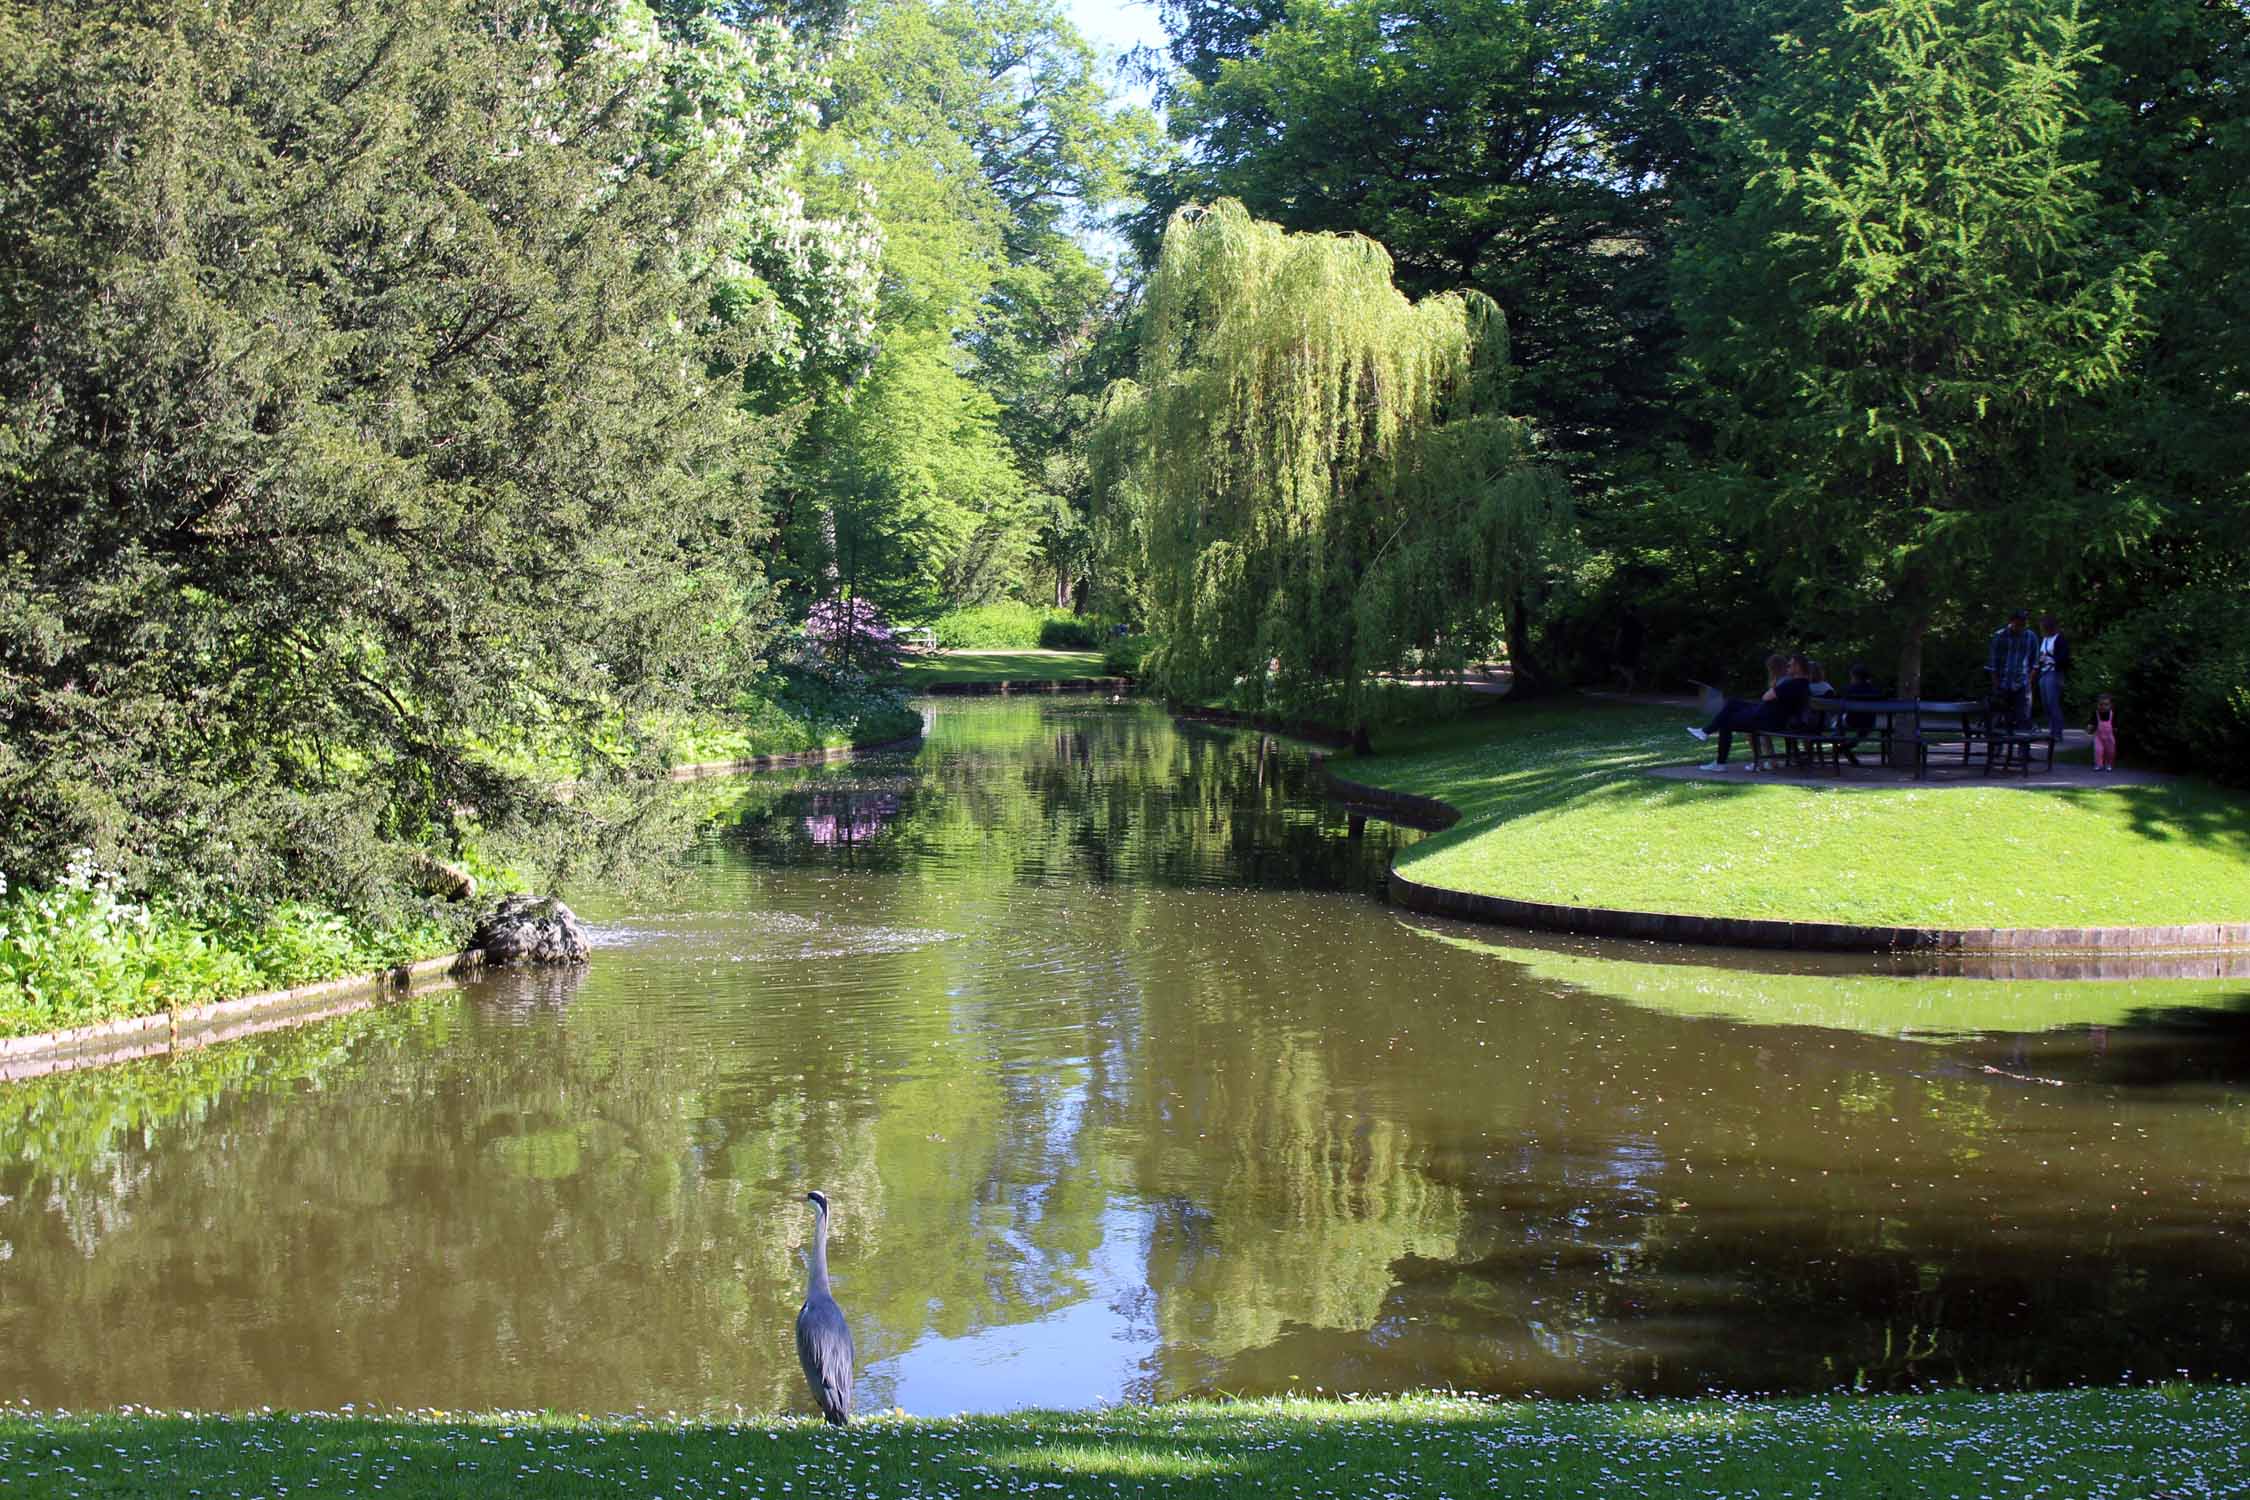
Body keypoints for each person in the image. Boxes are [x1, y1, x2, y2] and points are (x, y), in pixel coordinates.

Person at [1687, 654, 1810, 770]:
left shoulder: (1793, 684)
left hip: (1767, 720)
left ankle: (1719, 760)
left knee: (1725, 722)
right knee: (1733, 703)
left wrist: (1772, 691)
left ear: (1797, 667)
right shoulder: (1800, 684)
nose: (1787, 667)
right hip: (1767, 716)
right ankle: (1706, 733)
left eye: (1790, 665)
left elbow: (1766, 697)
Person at [1986, 608, 2035, 730]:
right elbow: (1993, 665)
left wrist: (2028, 683)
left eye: (2024, 623)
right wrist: (1996, 687)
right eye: (2019, 623)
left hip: (2021, 684)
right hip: (2003, 683)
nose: (2021, 627)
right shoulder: (1999, 636)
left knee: (2023, 719)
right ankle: (1996, 747)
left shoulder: (2030, 637)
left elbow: (2034, 664)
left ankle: (2023, 747)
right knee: (1998, 719)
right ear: (2012, 621)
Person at [2034, 612, 2072, 741]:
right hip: (2044, 673)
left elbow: (2065, 658)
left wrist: (2051, 659)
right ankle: (2051, 731)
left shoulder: (2059, 639)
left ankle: (2057, 733)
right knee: (2045, 703)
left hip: (2054, 673)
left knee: (2053, 703)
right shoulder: (2044, 640)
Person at [1838, 662, 1885, 763]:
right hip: (1869, 723)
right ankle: (1846, 747)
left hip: (1851, 721)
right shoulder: (1874, 691)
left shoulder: (1848, 690)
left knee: (1837, 726)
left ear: (1854, 676)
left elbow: (1841, 707)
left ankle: (1842, 747)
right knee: (1864, 729)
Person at [2091, 692, 2118, 771]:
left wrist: (2115, 728)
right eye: (2100, 704)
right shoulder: (2096, 714)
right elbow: (2092, 722)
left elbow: (2115, 723)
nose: (2103, 706)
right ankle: (2098, 764)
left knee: (2110, 751)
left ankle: (2108, 764)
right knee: (2098, 750)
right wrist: (2090, 726)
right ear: (2097, 704)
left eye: (2106, 704)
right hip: (2098, 737)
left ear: (2110, 705)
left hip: (2109, 737)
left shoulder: (2112, 714)